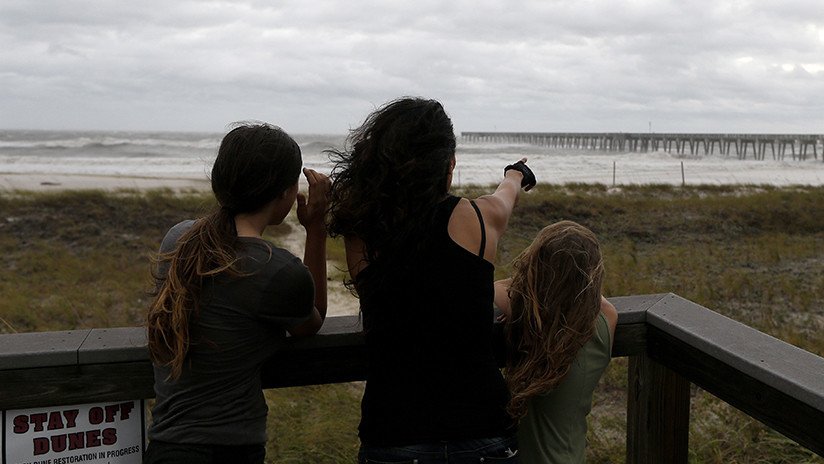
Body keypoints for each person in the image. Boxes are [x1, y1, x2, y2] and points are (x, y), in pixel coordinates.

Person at [327, 97, 536, 463]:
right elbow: (505, 198)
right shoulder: (476, 217)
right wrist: (515, 174)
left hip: (392, 432)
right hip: (483, 431)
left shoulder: (362, 231)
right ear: (449, 165)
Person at [143, 123, 330, 464]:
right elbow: (310, 320)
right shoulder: (277, 269)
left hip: (165, 445)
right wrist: (316, 227)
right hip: (228, 450)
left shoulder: (178, 238)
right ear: (286, 193)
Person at [494, 220, 618, 464]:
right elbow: (595, 298)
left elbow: (498, 287)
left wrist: (533, 277)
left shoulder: (527, 314)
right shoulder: (606, 319)